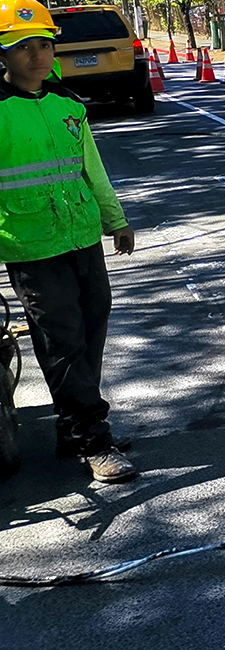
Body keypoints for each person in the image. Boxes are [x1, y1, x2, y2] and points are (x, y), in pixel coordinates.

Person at [0, 0, 136, 483]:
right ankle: (92, 440)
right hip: (29, 243)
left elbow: (91, 171)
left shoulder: (68, 105)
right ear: (4, 56)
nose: (37, 55)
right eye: (24, 47)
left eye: (44, 44)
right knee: (62, 341)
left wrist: (115, 219)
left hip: (80, 237)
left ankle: (73, 427)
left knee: (91, 328)